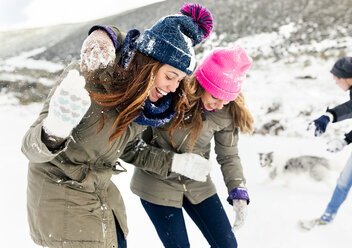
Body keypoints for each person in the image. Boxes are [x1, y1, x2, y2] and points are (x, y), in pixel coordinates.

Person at [21, 4, 213, 248]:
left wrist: (175, 163)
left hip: (103, 201)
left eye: (179, 80)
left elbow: (129, 149)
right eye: (169, 76)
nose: (173, 88)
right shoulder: (87, 79)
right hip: (62, 202)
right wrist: (53, 132)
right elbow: (30, 149)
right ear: (148, 66)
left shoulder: (143, 107)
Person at [130, 46, 254, 247]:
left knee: (228, 245)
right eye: (215, 96)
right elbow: (133, 145)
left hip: (197, 183)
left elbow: (229, 155)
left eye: (227, 98)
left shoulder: (226, 112)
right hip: (157, 182)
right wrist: (174, 163)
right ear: (202, 84)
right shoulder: (171, 96)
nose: (220, 105)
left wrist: (237, 189)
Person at [309, 56, 352, 225]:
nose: (335, 82)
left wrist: (330, 115)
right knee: (342, 182)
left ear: (346, 77)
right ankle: (327, 217)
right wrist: (346, 140)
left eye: (336, 79)